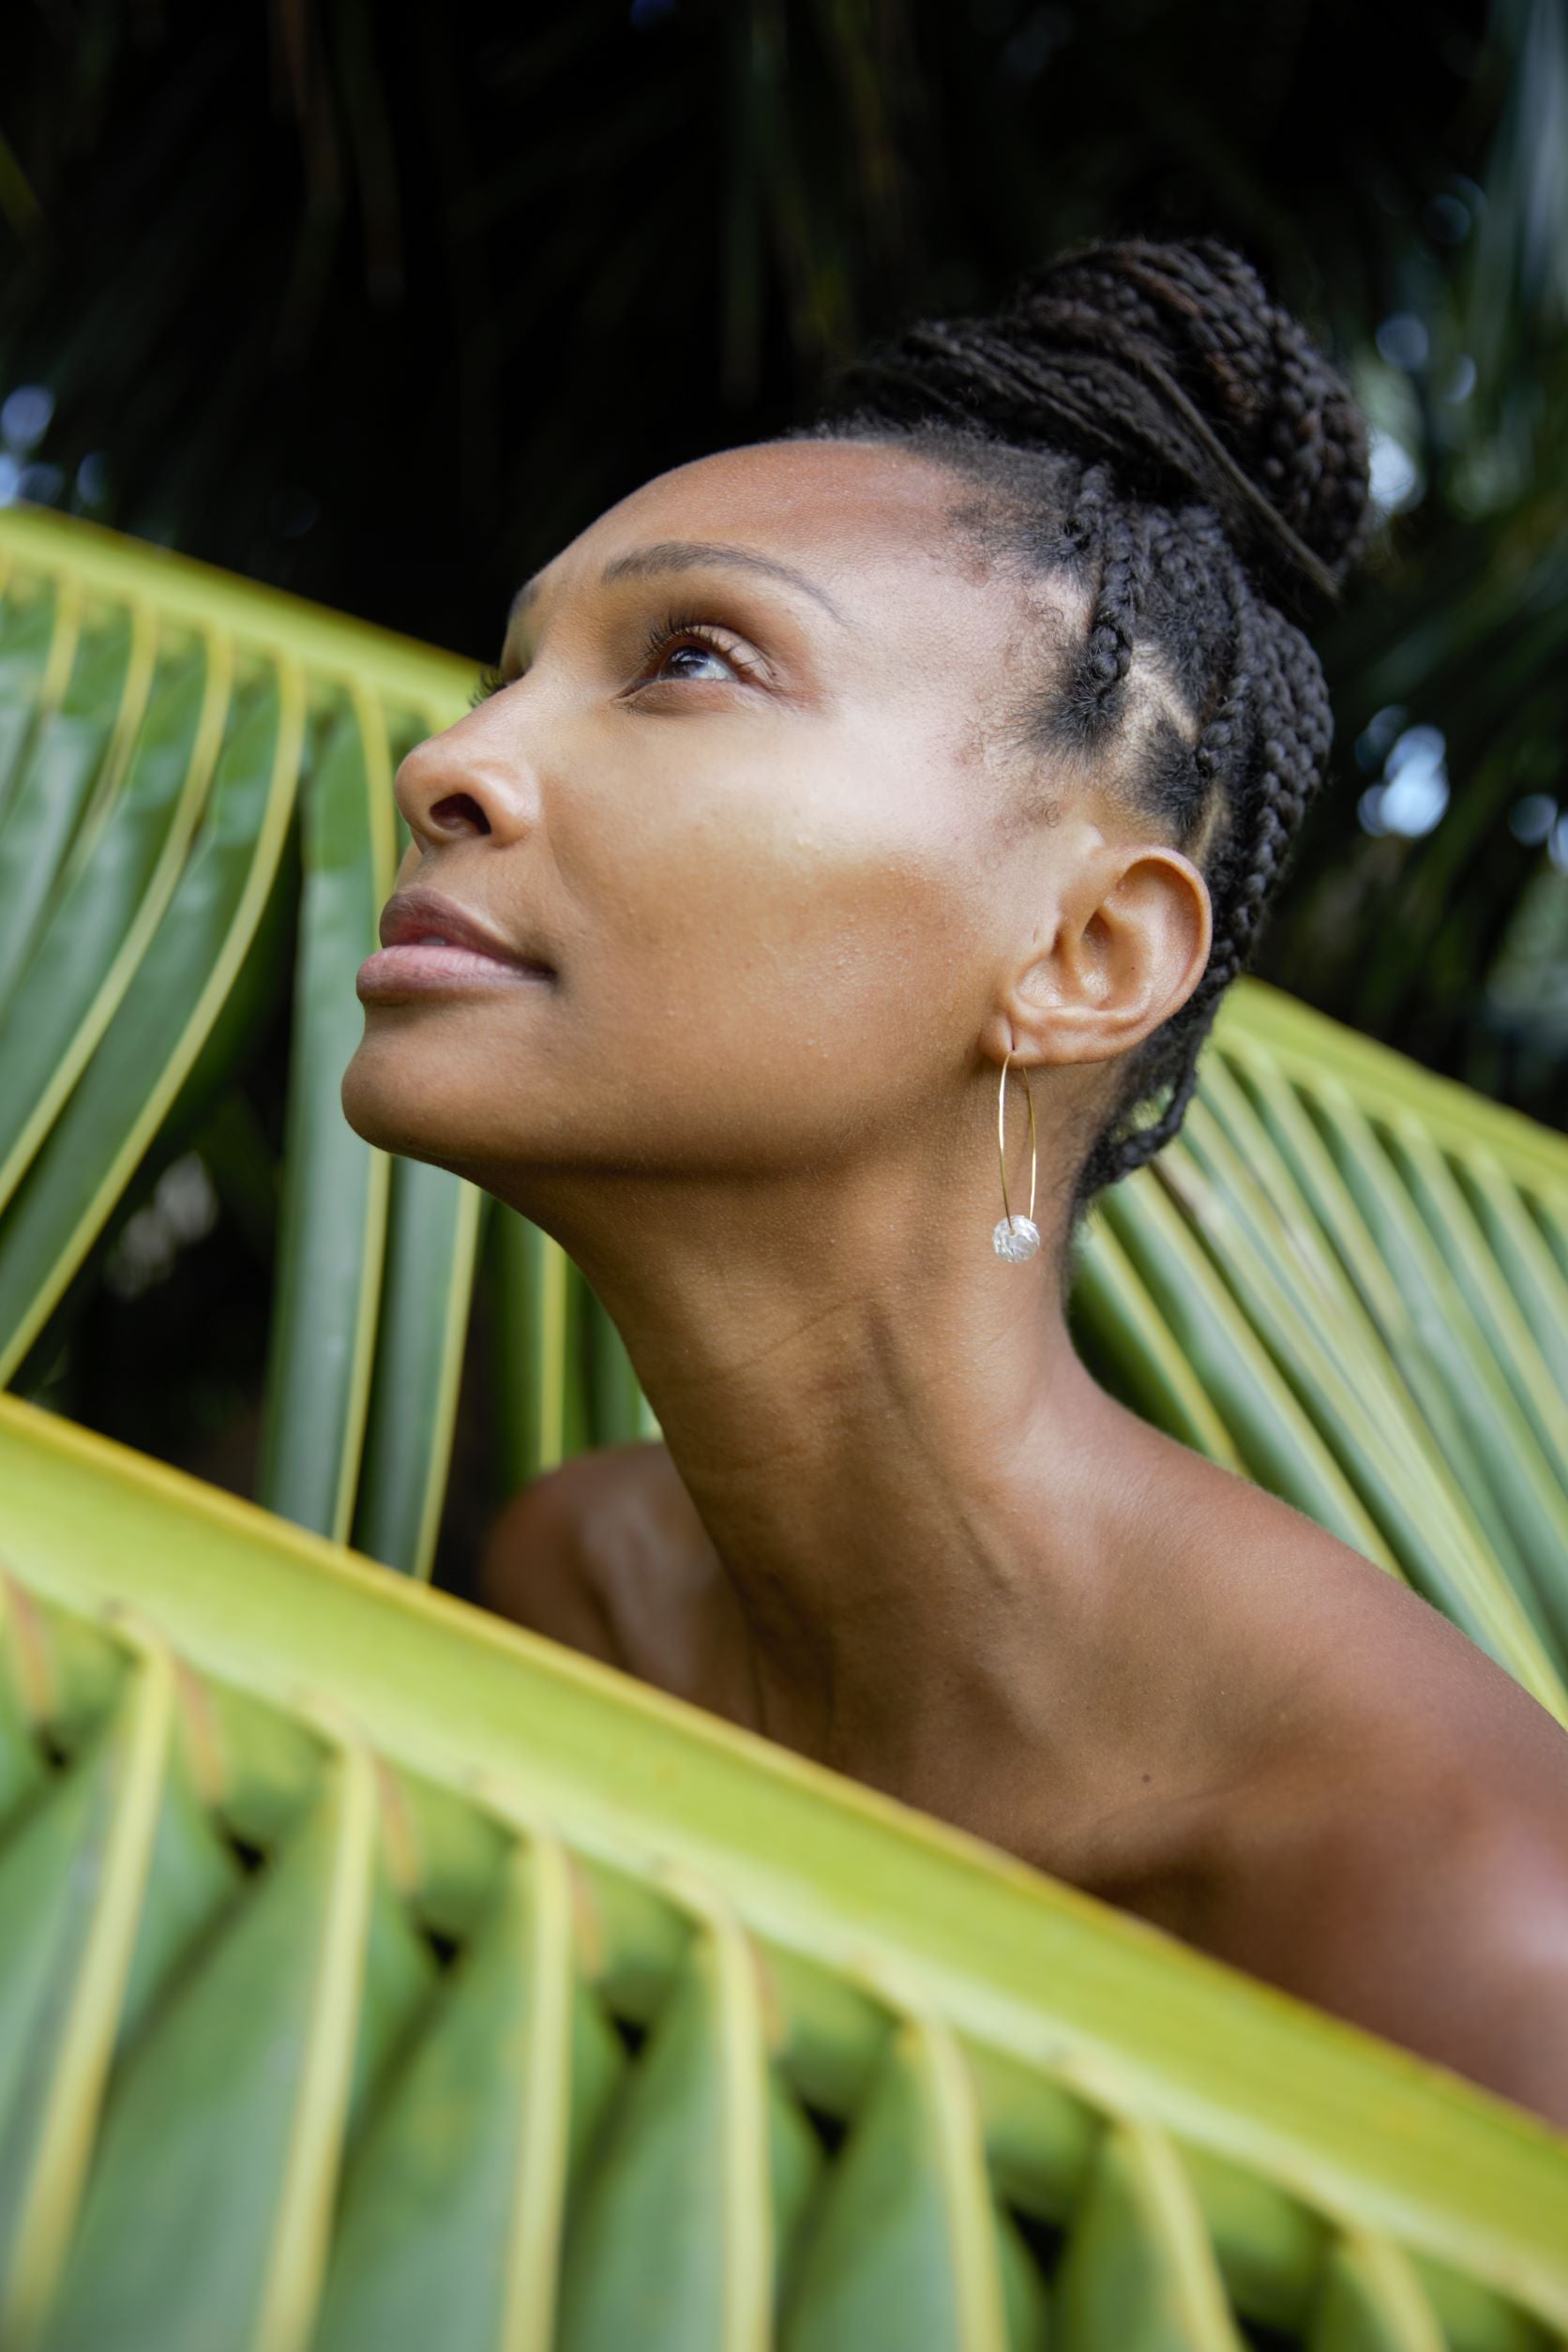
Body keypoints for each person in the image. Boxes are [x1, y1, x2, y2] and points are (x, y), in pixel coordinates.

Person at [342, 238, 1568, 2128]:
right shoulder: (589, 1602)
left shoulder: (1462, 1929)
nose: (448, 761)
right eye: (508, 673)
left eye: (689, 662)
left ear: (1084, 954)